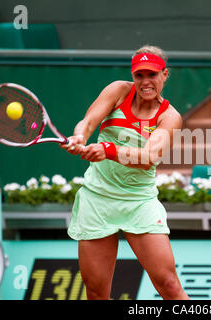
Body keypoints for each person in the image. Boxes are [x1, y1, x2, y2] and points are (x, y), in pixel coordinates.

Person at [61, 45, 189, 300]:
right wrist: (79, 137)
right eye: (139, 75)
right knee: (96, 292)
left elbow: (149, 157)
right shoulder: (118, 91)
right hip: (98, 199)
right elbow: (87, 123)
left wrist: (107, 150)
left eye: (152, 74)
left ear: (165, 74)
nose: (145, 82)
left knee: (169, 285)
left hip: (139, 202)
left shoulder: (170, 117)